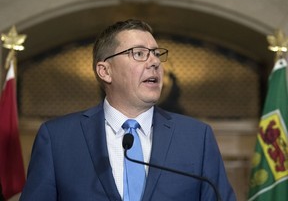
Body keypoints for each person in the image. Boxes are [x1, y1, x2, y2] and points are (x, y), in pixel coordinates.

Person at [20, 19, 236, 201]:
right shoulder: (58, 139)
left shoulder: (196, 138)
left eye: (156, 54)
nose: (154, 62)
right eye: (139, 53)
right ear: (105, 71)